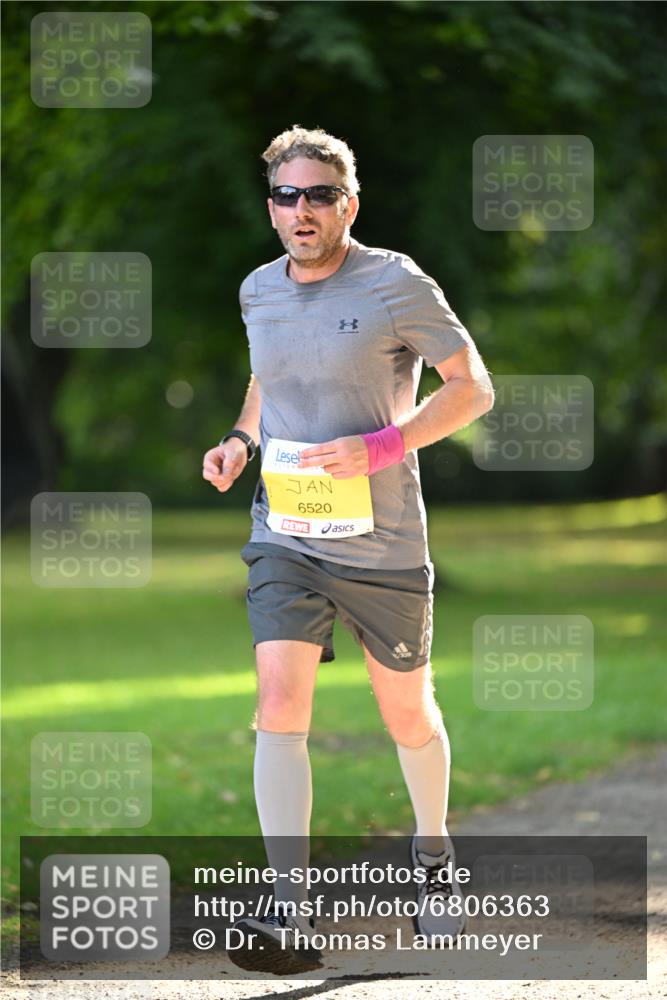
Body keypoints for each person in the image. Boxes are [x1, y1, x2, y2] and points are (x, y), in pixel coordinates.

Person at [202, 125, 494, 975]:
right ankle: (287, 910)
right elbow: (268, 376)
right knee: (279, 697)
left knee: (405, 711)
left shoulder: (397, 283)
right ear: (270, 207)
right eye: (287, 195)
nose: (302, 209)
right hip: (284, 532)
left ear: (347, 205)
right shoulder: (259, 290)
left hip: (383, 539)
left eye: (318, 195)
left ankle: (433, 861)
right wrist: (239, 440)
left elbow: (472, 388)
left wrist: (378, 448)